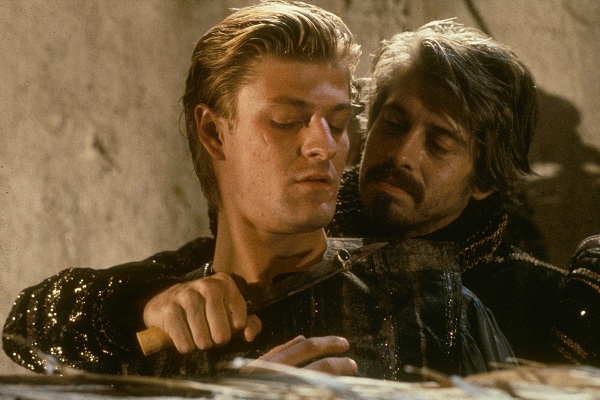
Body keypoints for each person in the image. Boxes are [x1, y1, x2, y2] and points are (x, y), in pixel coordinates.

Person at [3, 2, 514, 380]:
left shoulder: (436, 304)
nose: (325, 145)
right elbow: (24, 329)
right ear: (214, 132)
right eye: (287, 120)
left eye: (339, 123)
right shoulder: (153, 328)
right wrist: (141, 305)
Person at [327, 19, 600, 366]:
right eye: (393, 124)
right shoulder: (290, 245)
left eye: (439, 144)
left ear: (484, 179)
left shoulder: (538, 309)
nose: (401, 155)